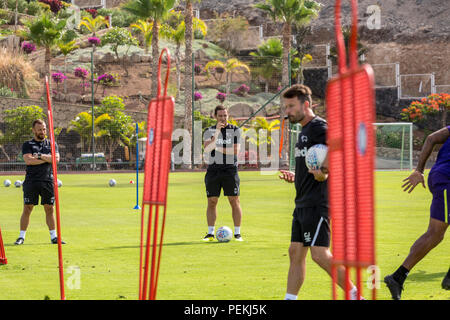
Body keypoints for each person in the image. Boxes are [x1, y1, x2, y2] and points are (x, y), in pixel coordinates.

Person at [279, 84, 361, 300]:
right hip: (302, 201)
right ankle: (290, 298)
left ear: (306, 104)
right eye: (285, 107)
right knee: (295, 252)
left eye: (291, 106)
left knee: (319, 254)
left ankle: (355, 295)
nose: (287, 111)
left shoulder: (318, 127)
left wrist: (324, 171)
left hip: (318, 201)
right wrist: (298, 177)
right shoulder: (304, 131)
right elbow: (312, 164)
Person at [384, 126, 450, 300]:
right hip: (446, 180)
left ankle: (397, 278)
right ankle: (398, 277)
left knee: (435, 234)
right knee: (435, 234)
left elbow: (431, 138)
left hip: (442, 179)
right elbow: (430, 138)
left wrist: (421, 170)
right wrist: (418, 170)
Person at [14, 119, 65, 245]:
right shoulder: (27, 144)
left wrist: (39, 156)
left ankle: (54, 237)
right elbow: (29, 161)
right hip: (31, 181)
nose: (42, 132)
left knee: (49, 209)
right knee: (27, 208)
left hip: (48, 181)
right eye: (39, 130)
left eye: (44, 129)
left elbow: (56, 159)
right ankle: (21, 237)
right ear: (34, 130)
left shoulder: (52, 144)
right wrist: (47, 158)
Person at [202, 105, 243, 241]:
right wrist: (217, 133)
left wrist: (217, 147)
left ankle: (237, 234)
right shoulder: (209, 131)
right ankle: (210, 233)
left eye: (225, 115)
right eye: (220, 116)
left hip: (230, 170)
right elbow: (207, 149)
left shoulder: (235, 130)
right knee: (212, 201)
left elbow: (235, 151)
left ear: (228, 115)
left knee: (234, 200)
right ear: (215, 116)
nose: (223, 118)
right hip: (213, 170)